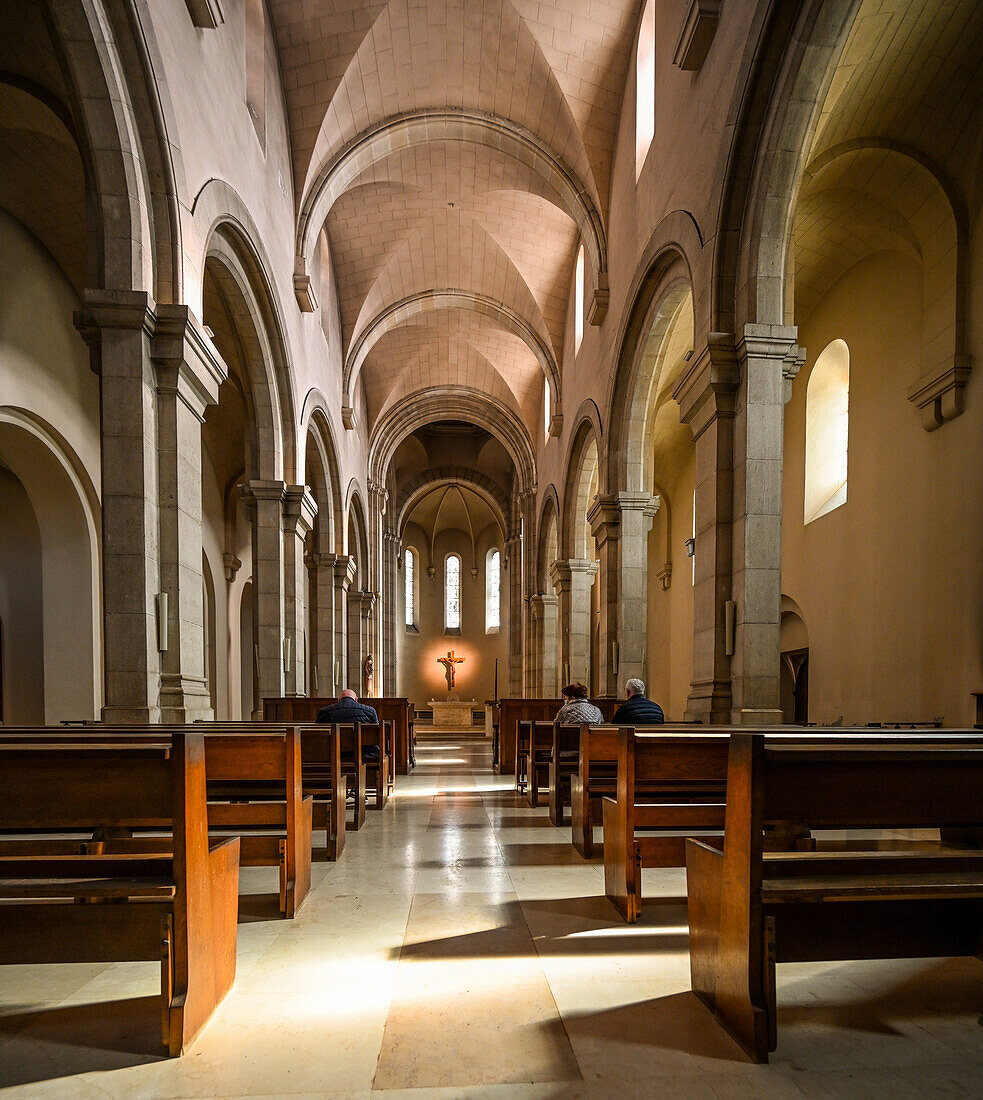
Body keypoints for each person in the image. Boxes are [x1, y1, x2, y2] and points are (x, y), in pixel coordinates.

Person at [317, 689, 381, 761]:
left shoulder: (324, 712)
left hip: (332, 754)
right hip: (363, 753)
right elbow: (376, 733)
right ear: (356, 699)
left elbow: (317, 735)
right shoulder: (369, 711)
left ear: (339, 699)